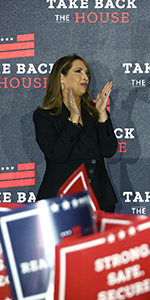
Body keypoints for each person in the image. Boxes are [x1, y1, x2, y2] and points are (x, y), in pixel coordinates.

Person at [34, 54, 118, 213]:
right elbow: (57, 154)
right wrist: (73, 119)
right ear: (61, 78)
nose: (85, 77)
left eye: (87, 73)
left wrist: (102, 114)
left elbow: (109, 150)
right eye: (78, 71)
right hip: (62, 204)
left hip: (99, 201)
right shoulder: (45, 116)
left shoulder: (93, 113)